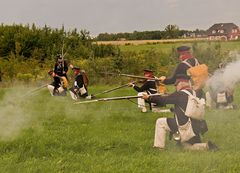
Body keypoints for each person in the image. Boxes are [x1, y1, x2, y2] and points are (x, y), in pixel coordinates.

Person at [142, 75, 218, 151]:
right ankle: (206, 146)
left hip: (185, 126)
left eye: (176, 85)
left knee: (160, 122)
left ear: (181, 84)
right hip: (196, 127)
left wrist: (149, 98)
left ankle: (159, 147)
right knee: (185, 147)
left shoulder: (180, 94)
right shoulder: (193, 92)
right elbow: (184, 106)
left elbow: (164, 100)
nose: (176, 87)